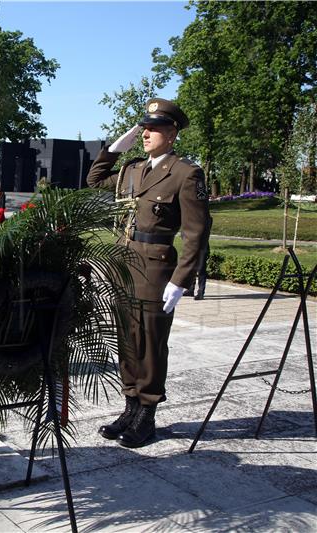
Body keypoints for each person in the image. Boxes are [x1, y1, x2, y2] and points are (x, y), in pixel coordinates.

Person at [86, 98, 209, 448]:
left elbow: (196, 233)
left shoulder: (186, 173)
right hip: (124, 266)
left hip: (157, 270)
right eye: (144, 127)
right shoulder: (132, 169)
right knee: (127, 339)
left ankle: (147, 415)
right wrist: (114, 148)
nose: (146, 133)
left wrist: (180, 281)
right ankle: (130, 407)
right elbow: (94, 180)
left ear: (171, 134)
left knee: (150, 345)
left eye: (154, 128)